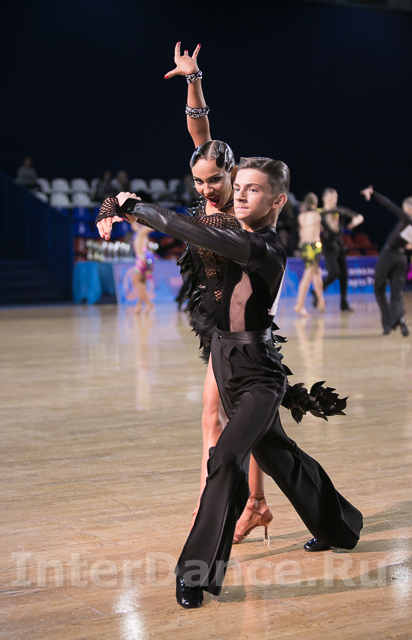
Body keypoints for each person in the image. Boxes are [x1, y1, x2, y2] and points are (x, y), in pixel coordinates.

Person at [95, 157, 363, 609]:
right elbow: (203, 166)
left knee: (225, 458)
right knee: (280, 457)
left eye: (252, 189)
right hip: (225, 358)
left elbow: (188, 229)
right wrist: (119, 206)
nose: (238, 194)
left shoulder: (261, 246)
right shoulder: (234, 228)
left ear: (277, 201)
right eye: (237, 186)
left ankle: (195, 573)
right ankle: (341, 526)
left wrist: (134, 206)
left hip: (258, 373)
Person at [165, 43, 273, 541]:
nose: (206, 189)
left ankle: (225, 504)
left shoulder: (244, 214)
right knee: (231, 421)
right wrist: (193, 80)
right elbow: (200, 132)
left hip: (243, 330)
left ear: (233, 174)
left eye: (214, 180)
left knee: (230, 418)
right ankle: (250, 504)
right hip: (214, 329)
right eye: (198, 182)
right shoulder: (207, 180)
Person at [360, 186, 411, 336]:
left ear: (408, 208)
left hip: (389, 255)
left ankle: (388, 324)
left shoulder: (407, 218)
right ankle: (400, 318)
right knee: (397, 292)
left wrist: (373, 193)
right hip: (402, 258)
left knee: (379, 289)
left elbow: (388, 204)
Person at [318, 188, 364, 312]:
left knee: (344, 275)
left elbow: (359, 216)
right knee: (334, 273)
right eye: (331, 198)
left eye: (336, 198)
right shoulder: (320, 214)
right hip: (328, 248)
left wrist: (355, 222)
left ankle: (344, 303)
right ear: (325, 199)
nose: (334, 200)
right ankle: (318, 291)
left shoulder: (340, 211)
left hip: (340, 247)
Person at [294, 192, 325, 317]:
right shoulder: (317, 215)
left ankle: (321, 301)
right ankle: (299, 305)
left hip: (303, 246)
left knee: (317, 273)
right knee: (308, 275)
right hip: (313, 247)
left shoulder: (301, 216)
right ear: (315, 203)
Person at [131, 222, 155, 315]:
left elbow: (152, 227)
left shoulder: (142, 231)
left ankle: (148, 303)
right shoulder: (141, 232)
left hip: (141, 258)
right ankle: (139, 305)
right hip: (145, 257)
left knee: (136, 281)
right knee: (142, 283)